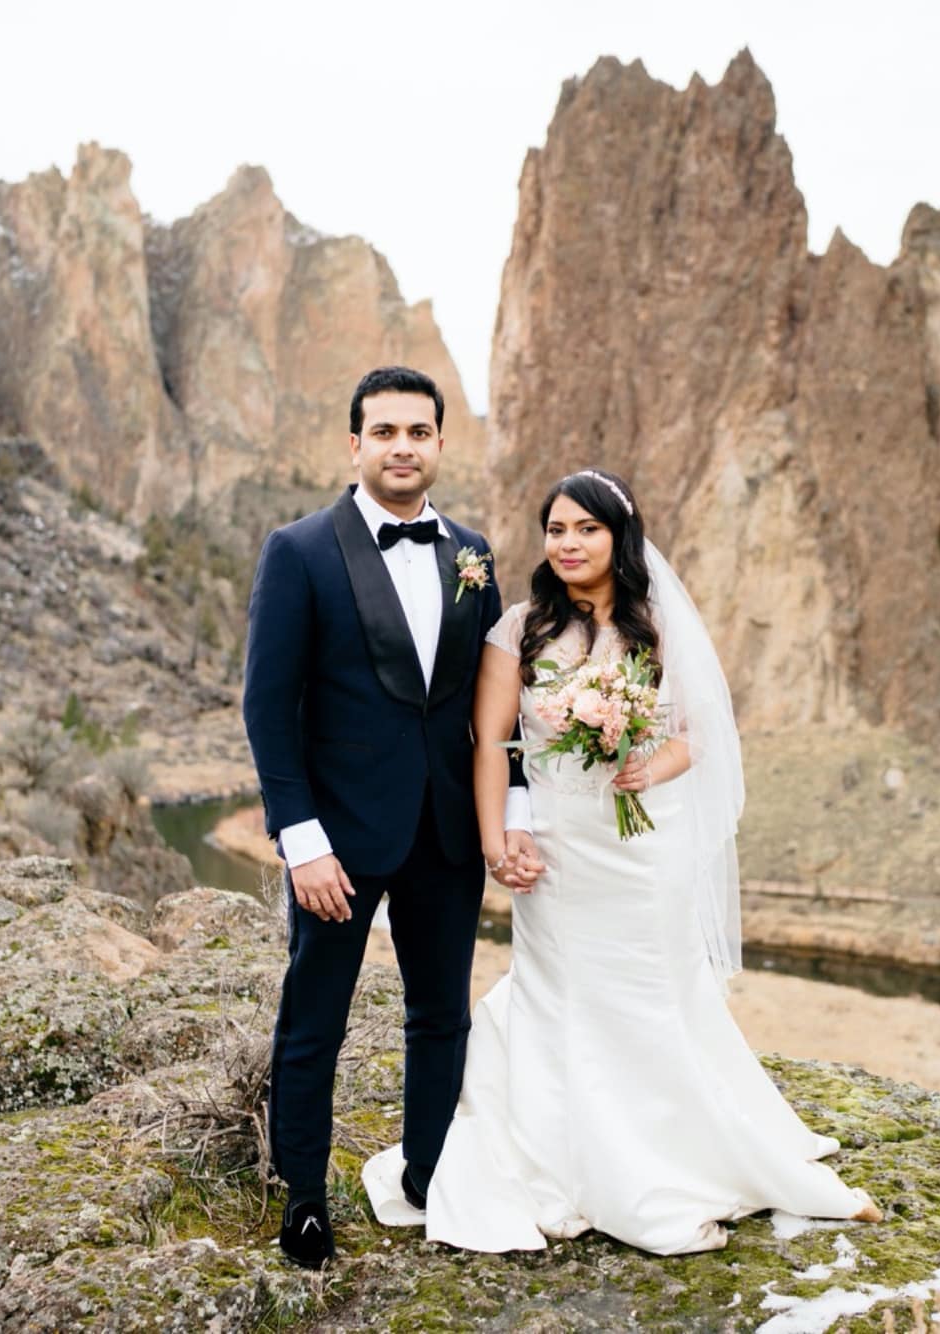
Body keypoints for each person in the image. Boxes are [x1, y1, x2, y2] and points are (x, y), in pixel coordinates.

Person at [363, 467, 880, 1254]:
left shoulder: (656, 625)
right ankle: (584, 1159)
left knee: (653, 993)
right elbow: (493, 743)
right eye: (557, 530)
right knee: (567, 992)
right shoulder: (519, 630)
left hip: (645, 851)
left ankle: (683, 1150)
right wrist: (501, 837)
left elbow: (697, 735)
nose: (568, 544)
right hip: (562, 853)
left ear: (618, 537)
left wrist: (648, 768)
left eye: (586, 529)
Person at [242, 366, 542, 1270]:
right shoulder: (298, 553)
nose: (403, 447)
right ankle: (303, 1198)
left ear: (441, 443)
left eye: (419, 432)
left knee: (440, 1013)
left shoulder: (472, 554)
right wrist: (302, 845)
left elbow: (499, 706)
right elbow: (268, 708)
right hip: (337, 842)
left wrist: (509, 815)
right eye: (385, 432)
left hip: (447, 833)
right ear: (356, 445)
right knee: (314, 1021)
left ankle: (427, 1172)